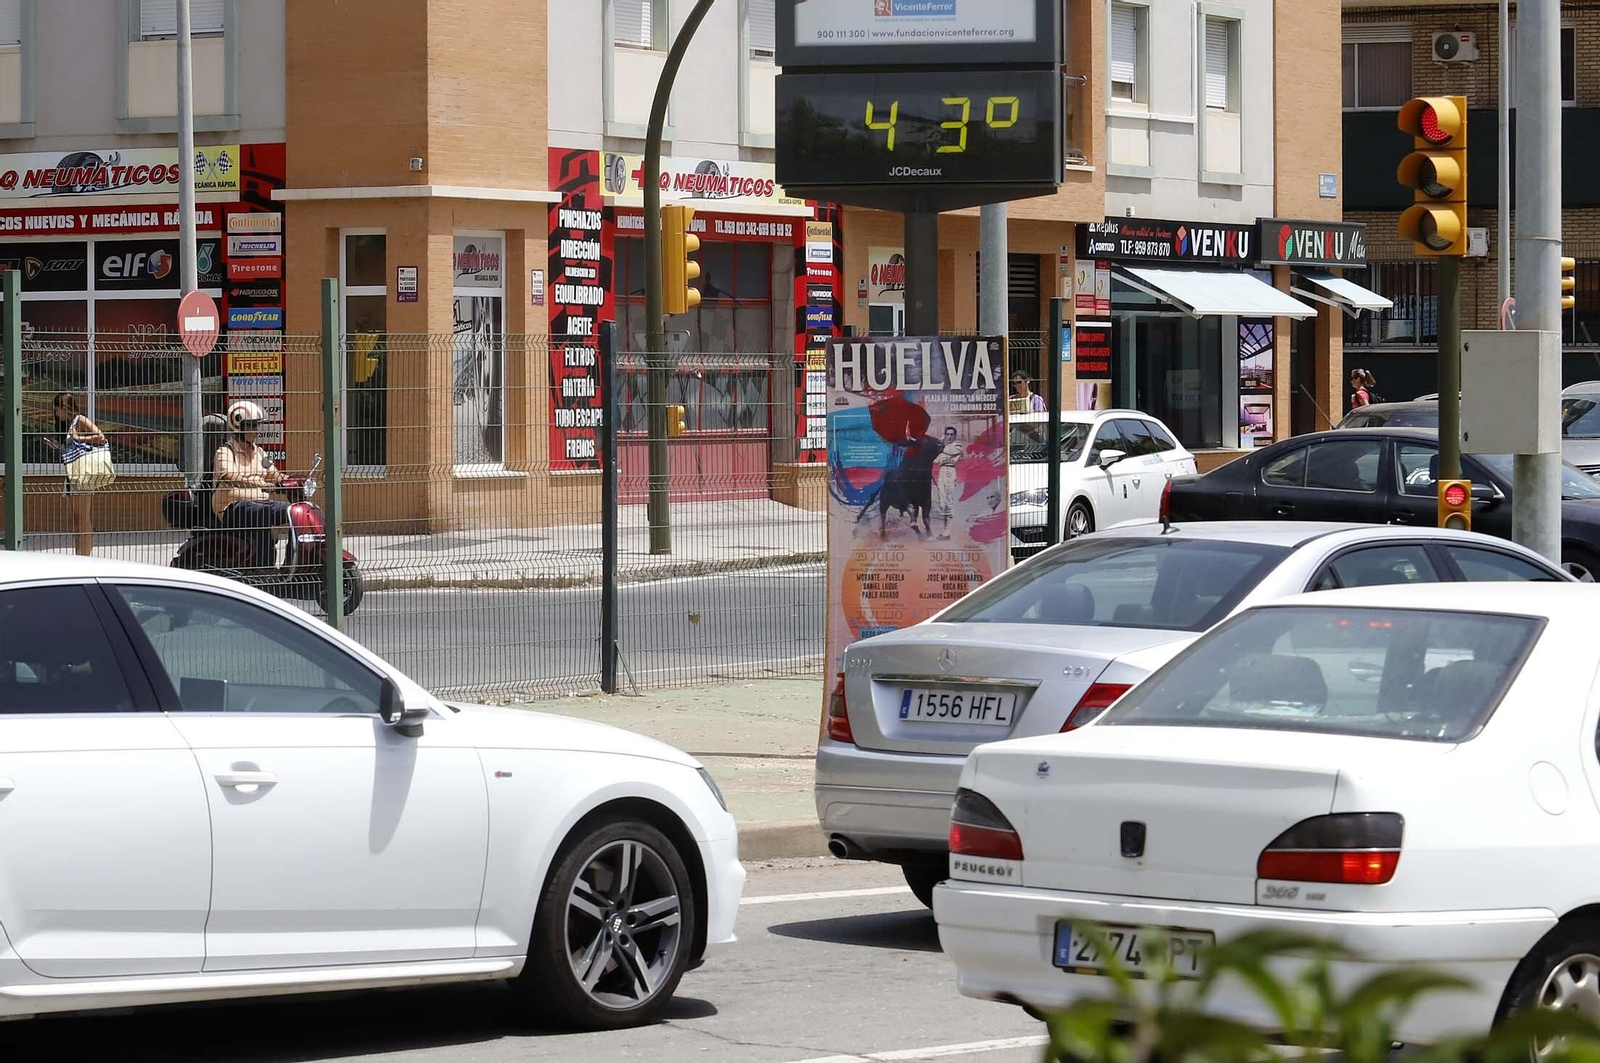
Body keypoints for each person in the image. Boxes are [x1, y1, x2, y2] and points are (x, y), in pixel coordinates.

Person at [213, 399, 287, 571]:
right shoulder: (225, 452)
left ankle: (292, 565)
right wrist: (258, 482)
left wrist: (291, 480)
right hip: (231, 507)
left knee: (291, 511)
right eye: (252, 426)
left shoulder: (259, 452)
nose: (256, 430)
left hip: (260, 503)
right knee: (262, 513)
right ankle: (264, 570)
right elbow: (227, 475)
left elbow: (274, 475)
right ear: (238, 426)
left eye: (257, 425)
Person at [53, 393, 105, 557]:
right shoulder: (66, 425)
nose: (56, 414)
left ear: (65, 407)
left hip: (83, 474)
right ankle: (79, 554)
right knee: (76, 518)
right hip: (71, 473)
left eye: (57, 410)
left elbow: (101, 437)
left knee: (83, 518)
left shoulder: (80, 420)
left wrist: (79, 438)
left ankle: (86, 556)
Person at [935, 426, 965, 540]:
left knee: (949, 502)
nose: (949, 436)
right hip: (942, 473)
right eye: (947, 434)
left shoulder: (957, 446)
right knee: (942, 504)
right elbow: (935, 460)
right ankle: (944, 531)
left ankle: (947, 533)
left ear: (955, 436)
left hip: (950, 472)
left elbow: (951, 453)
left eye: (951, 434)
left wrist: (940, 443)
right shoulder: (943, 449)